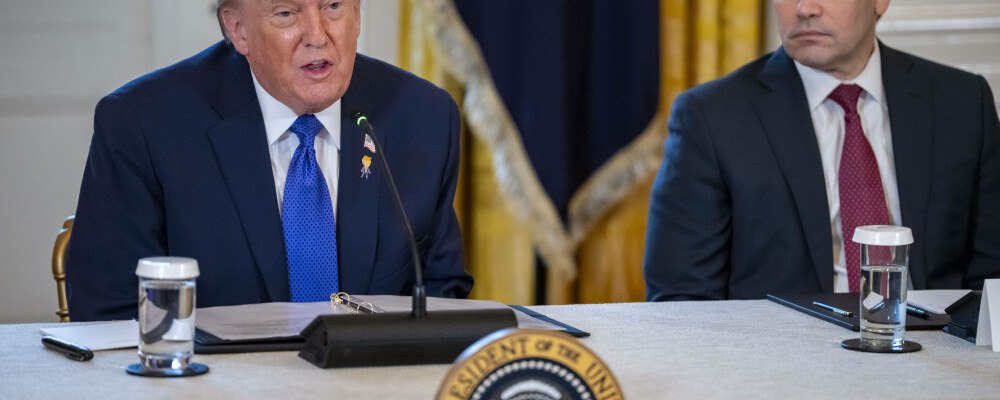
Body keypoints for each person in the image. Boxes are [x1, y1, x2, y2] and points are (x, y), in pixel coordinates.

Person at [66, 0, 472, 321]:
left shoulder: (422, 117)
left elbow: (442, 299)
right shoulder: (144, 125)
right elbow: (111, 312)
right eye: (286, 13)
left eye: (333, 6)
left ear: (358, 13)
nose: (317, 36)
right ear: (237, 29)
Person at [644, 0, 1000, 301]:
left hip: (936, 352)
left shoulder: (963, 103)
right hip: (779, 357)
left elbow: (992, 277)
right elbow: (681, 300)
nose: (805, 9)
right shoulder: (711, 117)